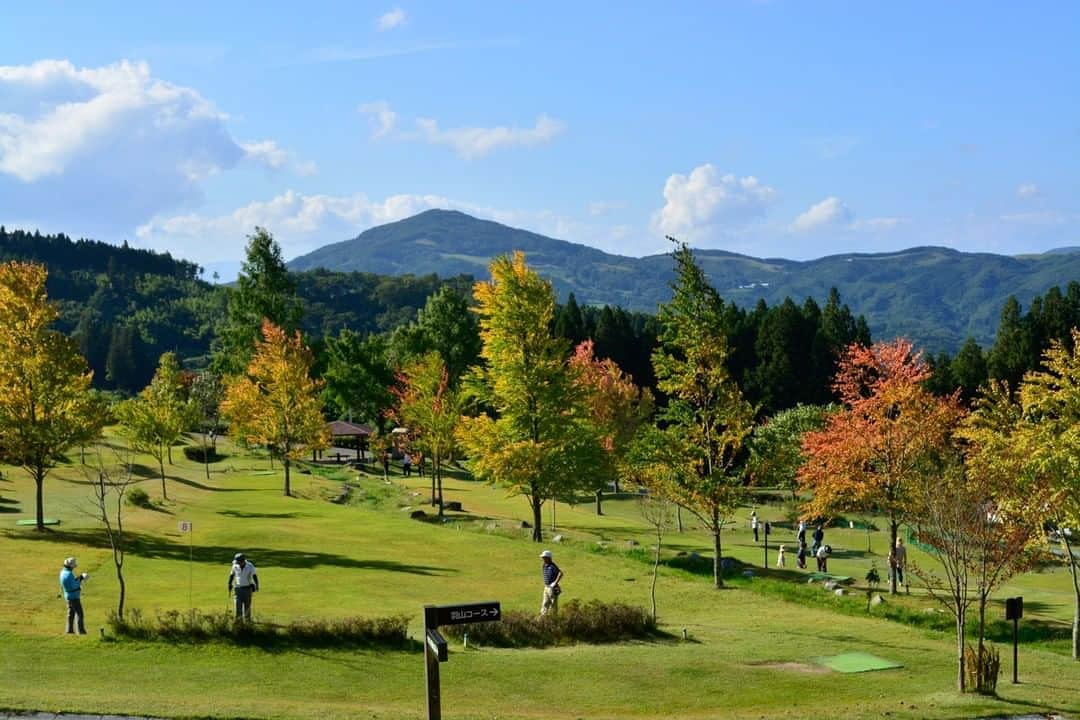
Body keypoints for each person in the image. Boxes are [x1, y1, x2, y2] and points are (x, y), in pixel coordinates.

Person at [59, 557, 88, 634]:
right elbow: (74, 585)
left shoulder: (62, 572)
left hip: (68, 596)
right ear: (71, 566)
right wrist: (81, 578)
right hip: (74, 597)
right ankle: (81, 631)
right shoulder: (69, 574)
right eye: (74, 566)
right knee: (80, 614)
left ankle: (69, 630)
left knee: (71, 614)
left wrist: (77, 578)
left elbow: (71, 582)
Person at [227, 552, 259, 621]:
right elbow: (232, 575)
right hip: (237, 589)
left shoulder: (250, 566)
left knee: (247, 606)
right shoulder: (235, 565)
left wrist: (257, 585)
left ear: (242, 561)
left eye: (238, 562)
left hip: (247, 589)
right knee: (237, 605)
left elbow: (254, 575)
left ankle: (247, 621)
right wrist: (229, 584)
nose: (237, 563)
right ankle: (239, 620)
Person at [539, 550, 563, 616]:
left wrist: (555, 583)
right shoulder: (544, 565)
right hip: (546, 587)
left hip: (552, 587)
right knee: (545, 603)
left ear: (548, 558)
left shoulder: (552, 566)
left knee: (553, 604)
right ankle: (543, 617)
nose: (543, 559)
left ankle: (554, 618)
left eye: (544, 557)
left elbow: (560, 573)